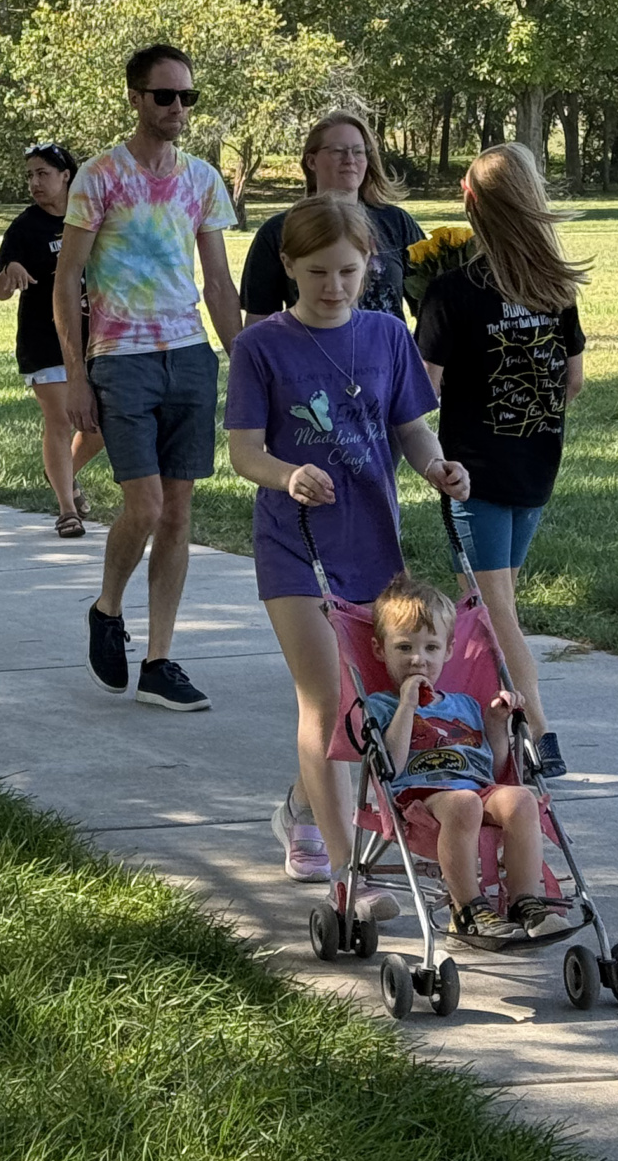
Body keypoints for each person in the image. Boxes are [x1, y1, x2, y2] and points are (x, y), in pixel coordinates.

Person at [226, 195, 470, 919]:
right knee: (328, 699)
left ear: (369, 267)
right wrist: (287, 476)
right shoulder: (261, 346)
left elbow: (411, 429)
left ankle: (309, 806)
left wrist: (436, 467)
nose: (333, 287)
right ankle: (345, 873)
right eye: (316, 273)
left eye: (347, 272)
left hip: (373, 546)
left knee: (376, 701)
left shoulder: (386, 336)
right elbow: (244, 453)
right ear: (288, 267)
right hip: (295, 547)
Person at [55, 47, 242, 712]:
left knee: (179, 512)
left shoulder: (202, 179)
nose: (178, 108)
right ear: (136, 97)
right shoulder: (100, 176)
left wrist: (243, 359)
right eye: (165, 96)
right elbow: (67, 280)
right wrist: (77, 376)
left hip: (189, 357)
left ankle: (160, 660)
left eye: (188, 96)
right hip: (121, 358)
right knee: (147, 507)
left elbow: (217, 282)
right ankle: (107, 609)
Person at [415, 142, 589, 778]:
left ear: (472, 204)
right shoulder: (555, 289)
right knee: (484, 601)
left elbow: (421, 391)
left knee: (493, 608)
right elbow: (573, 381)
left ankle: (538, 730)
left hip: (473, 476)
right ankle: (478, 725)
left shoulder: (451, 292)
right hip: (535, 468)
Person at [365, 577, 563, 943]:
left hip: (475, 788)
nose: (418, 659)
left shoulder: (465, 705)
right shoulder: (381, 706)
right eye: (404, 647)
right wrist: (407, 705)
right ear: (380, 650)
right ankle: (469, 908)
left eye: (431, 647)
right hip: (420, 798)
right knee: (464, 803)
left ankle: (525, 902)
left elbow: (492, 768)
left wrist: (496, 723)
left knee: (521, 798)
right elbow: (390, 764)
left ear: (449, 650)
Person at [0, 143, 105, 536]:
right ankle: (66, 510)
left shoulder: (91, 217)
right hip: (44, 340)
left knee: (99, 427)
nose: (35, 182)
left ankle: (62, 470)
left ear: (66, 176)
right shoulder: (24, 228)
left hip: (95, 339)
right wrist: (9, 273)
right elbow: (0, 288)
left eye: (43, 173)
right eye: (30, 175)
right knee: (61, 420)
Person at [238, 112, 426, 325]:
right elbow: (259, 321)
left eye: (358, 151)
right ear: (311, 161)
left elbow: (429, 302)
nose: (350, 160)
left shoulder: (396, 222)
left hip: (388, 347)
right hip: (307, 346)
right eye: (338, 151)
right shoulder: (278, 230)